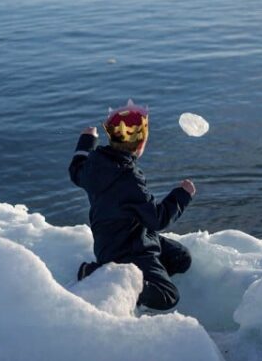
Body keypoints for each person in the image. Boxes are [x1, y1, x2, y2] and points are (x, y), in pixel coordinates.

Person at [68, 100, 196, 312]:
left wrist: (87, 141)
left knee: (181, 258)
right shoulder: (129, 180)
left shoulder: (94, 164)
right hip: (128, 250)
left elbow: (76, 170)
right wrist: (182, 195)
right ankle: (104, 276)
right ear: (141, 144)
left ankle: (142, 279)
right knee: (168, 296)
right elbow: (158, 219)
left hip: (124, 238)